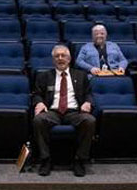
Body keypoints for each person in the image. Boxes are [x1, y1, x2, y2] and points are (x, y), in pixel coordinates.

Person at [32, 44, 96, 177]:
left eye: (63, 55)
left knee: (89, 120)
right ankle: (46, 159)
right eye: (57, 56)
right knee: (39, 119)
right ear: (53, 59)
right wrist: (39, 102)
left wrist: (87, 102)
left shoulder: (81, 75)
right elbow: (36, 93)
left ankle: (79, 159)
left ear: (70, 58)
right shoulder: (44, 76)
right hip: (53, 111)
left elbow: (88, 93)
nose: (60, 58)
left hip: (74, 112)